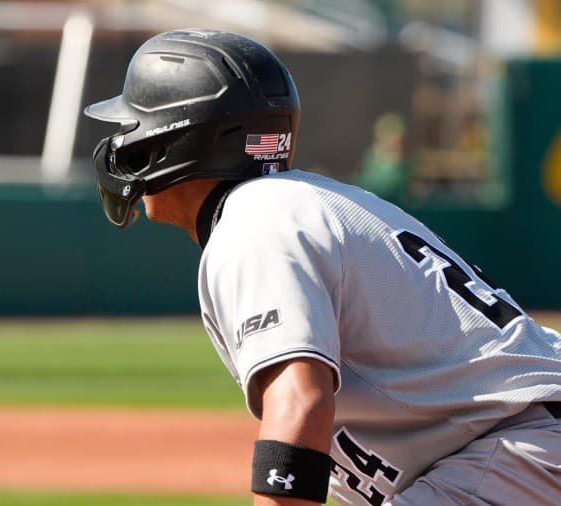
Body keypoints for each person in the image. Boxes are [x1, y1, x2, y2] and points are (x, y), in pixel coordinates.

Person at [83, 29, 561, 506]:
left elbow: (300, 399)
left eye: (136, 125)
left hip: (519, 453)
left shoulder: (256, 221)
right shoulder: (292, 205)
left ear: (179, 138)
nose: (125, 142)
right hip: (518, 450)